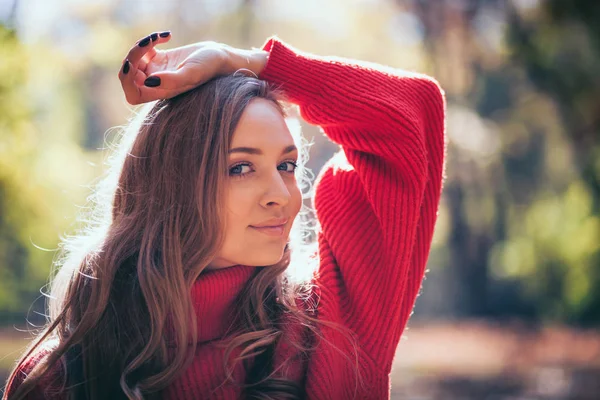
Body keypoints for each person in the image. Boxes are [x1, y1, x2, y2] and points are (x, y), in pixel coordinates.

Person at [3, 31, 446, 399]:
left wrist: (244, 61)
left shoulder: (329, 316)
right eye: (240, 167)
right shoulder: (61, 378)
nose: (282, 196)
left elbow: (414, 108)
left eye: (286, 165)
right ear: (170, 185)